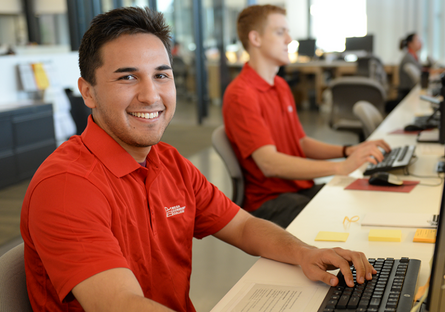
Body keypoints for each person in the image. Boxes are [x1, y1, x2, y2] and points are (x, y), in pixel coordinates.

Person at [20, 6, 376, 312]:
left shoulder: (167, 162)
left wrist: (304, 253)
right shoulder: (67, 186)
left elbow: (243, 226)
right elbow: (119, 304)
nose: (150, 95)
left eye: (161, 75)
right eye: (128, 77)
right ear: (88, 92)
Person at [223, 5, 390, 228]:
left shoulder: (280, 86)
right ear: (255, 38)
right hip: (269, 201)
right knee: (345, 222)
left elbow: (301, 143)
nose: (290, 39)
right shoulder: (241, 94)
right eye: (280, 32)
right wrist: (339, 167)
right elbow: (269, 164)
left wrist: (348, 151)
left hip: (298, 188)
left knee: (363, 198)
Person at [398, 33, 423, 100]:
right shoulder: (408, 58)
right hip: (406, 94)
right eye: (418, 40)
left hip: (411, 92)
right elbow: (422, 73)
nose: (420, 42)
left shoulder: (413, 56)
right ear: (410, 44)